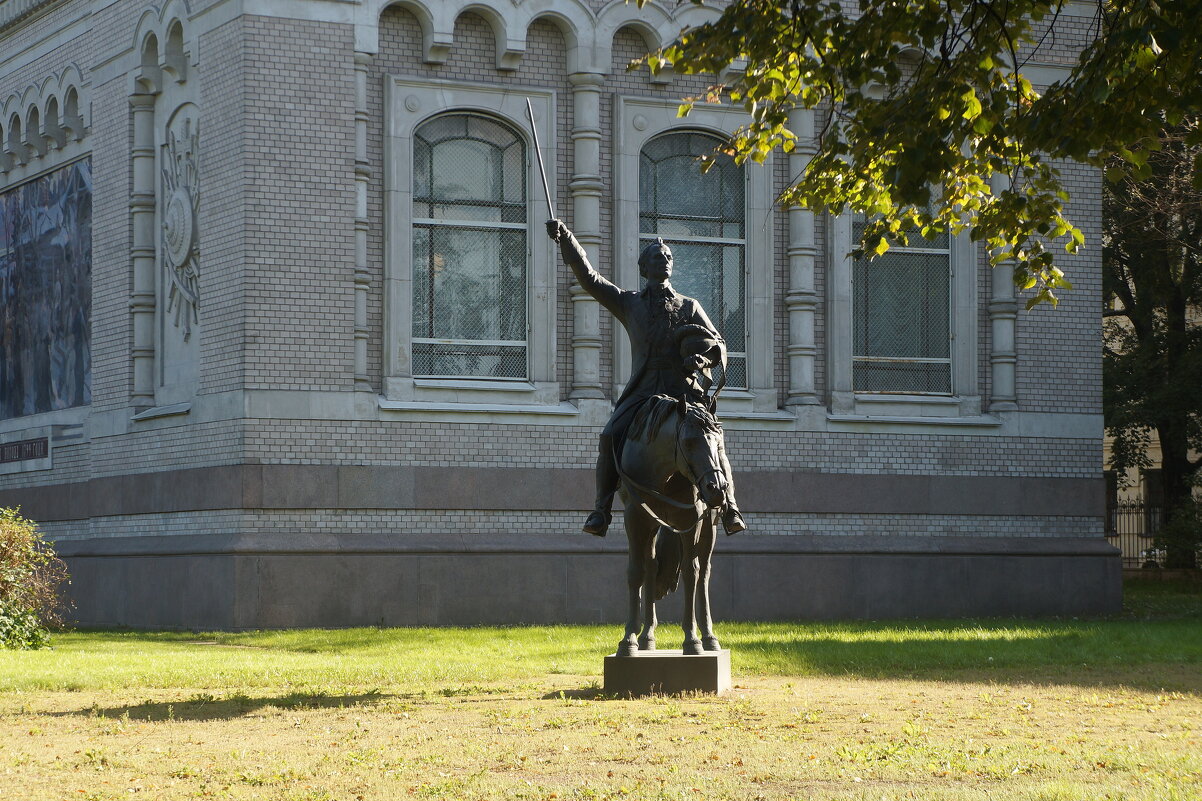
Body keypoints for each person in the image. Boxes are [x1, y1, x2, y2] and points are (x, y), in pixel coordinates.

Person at [546, 218, 747, 537]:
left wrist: (702, 357)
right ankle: (601, 510)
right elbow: (590, 279)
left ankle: (730, 508)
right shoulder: (630, 303)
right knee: (610, 434)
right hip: (643, 392)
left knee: (713, 440)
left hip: (684, 393)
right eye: (657, 256)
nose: (664, 259)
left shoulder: (689, 306)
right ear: (644, 266)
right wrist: (567, 240)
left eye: (668, 256)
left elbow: (718, 343)